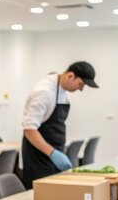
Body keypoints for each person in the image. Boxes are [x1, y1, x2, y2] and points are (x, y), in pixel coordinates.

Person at [21, 61, 99, 189]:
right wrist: (52, 153)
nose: (80, 89)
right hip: (38, 158)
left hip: (54, 153)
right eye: (80, 84)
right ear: (70, 76)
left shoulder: (62, 89)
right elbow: (29, 130)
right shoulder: (44, 92)